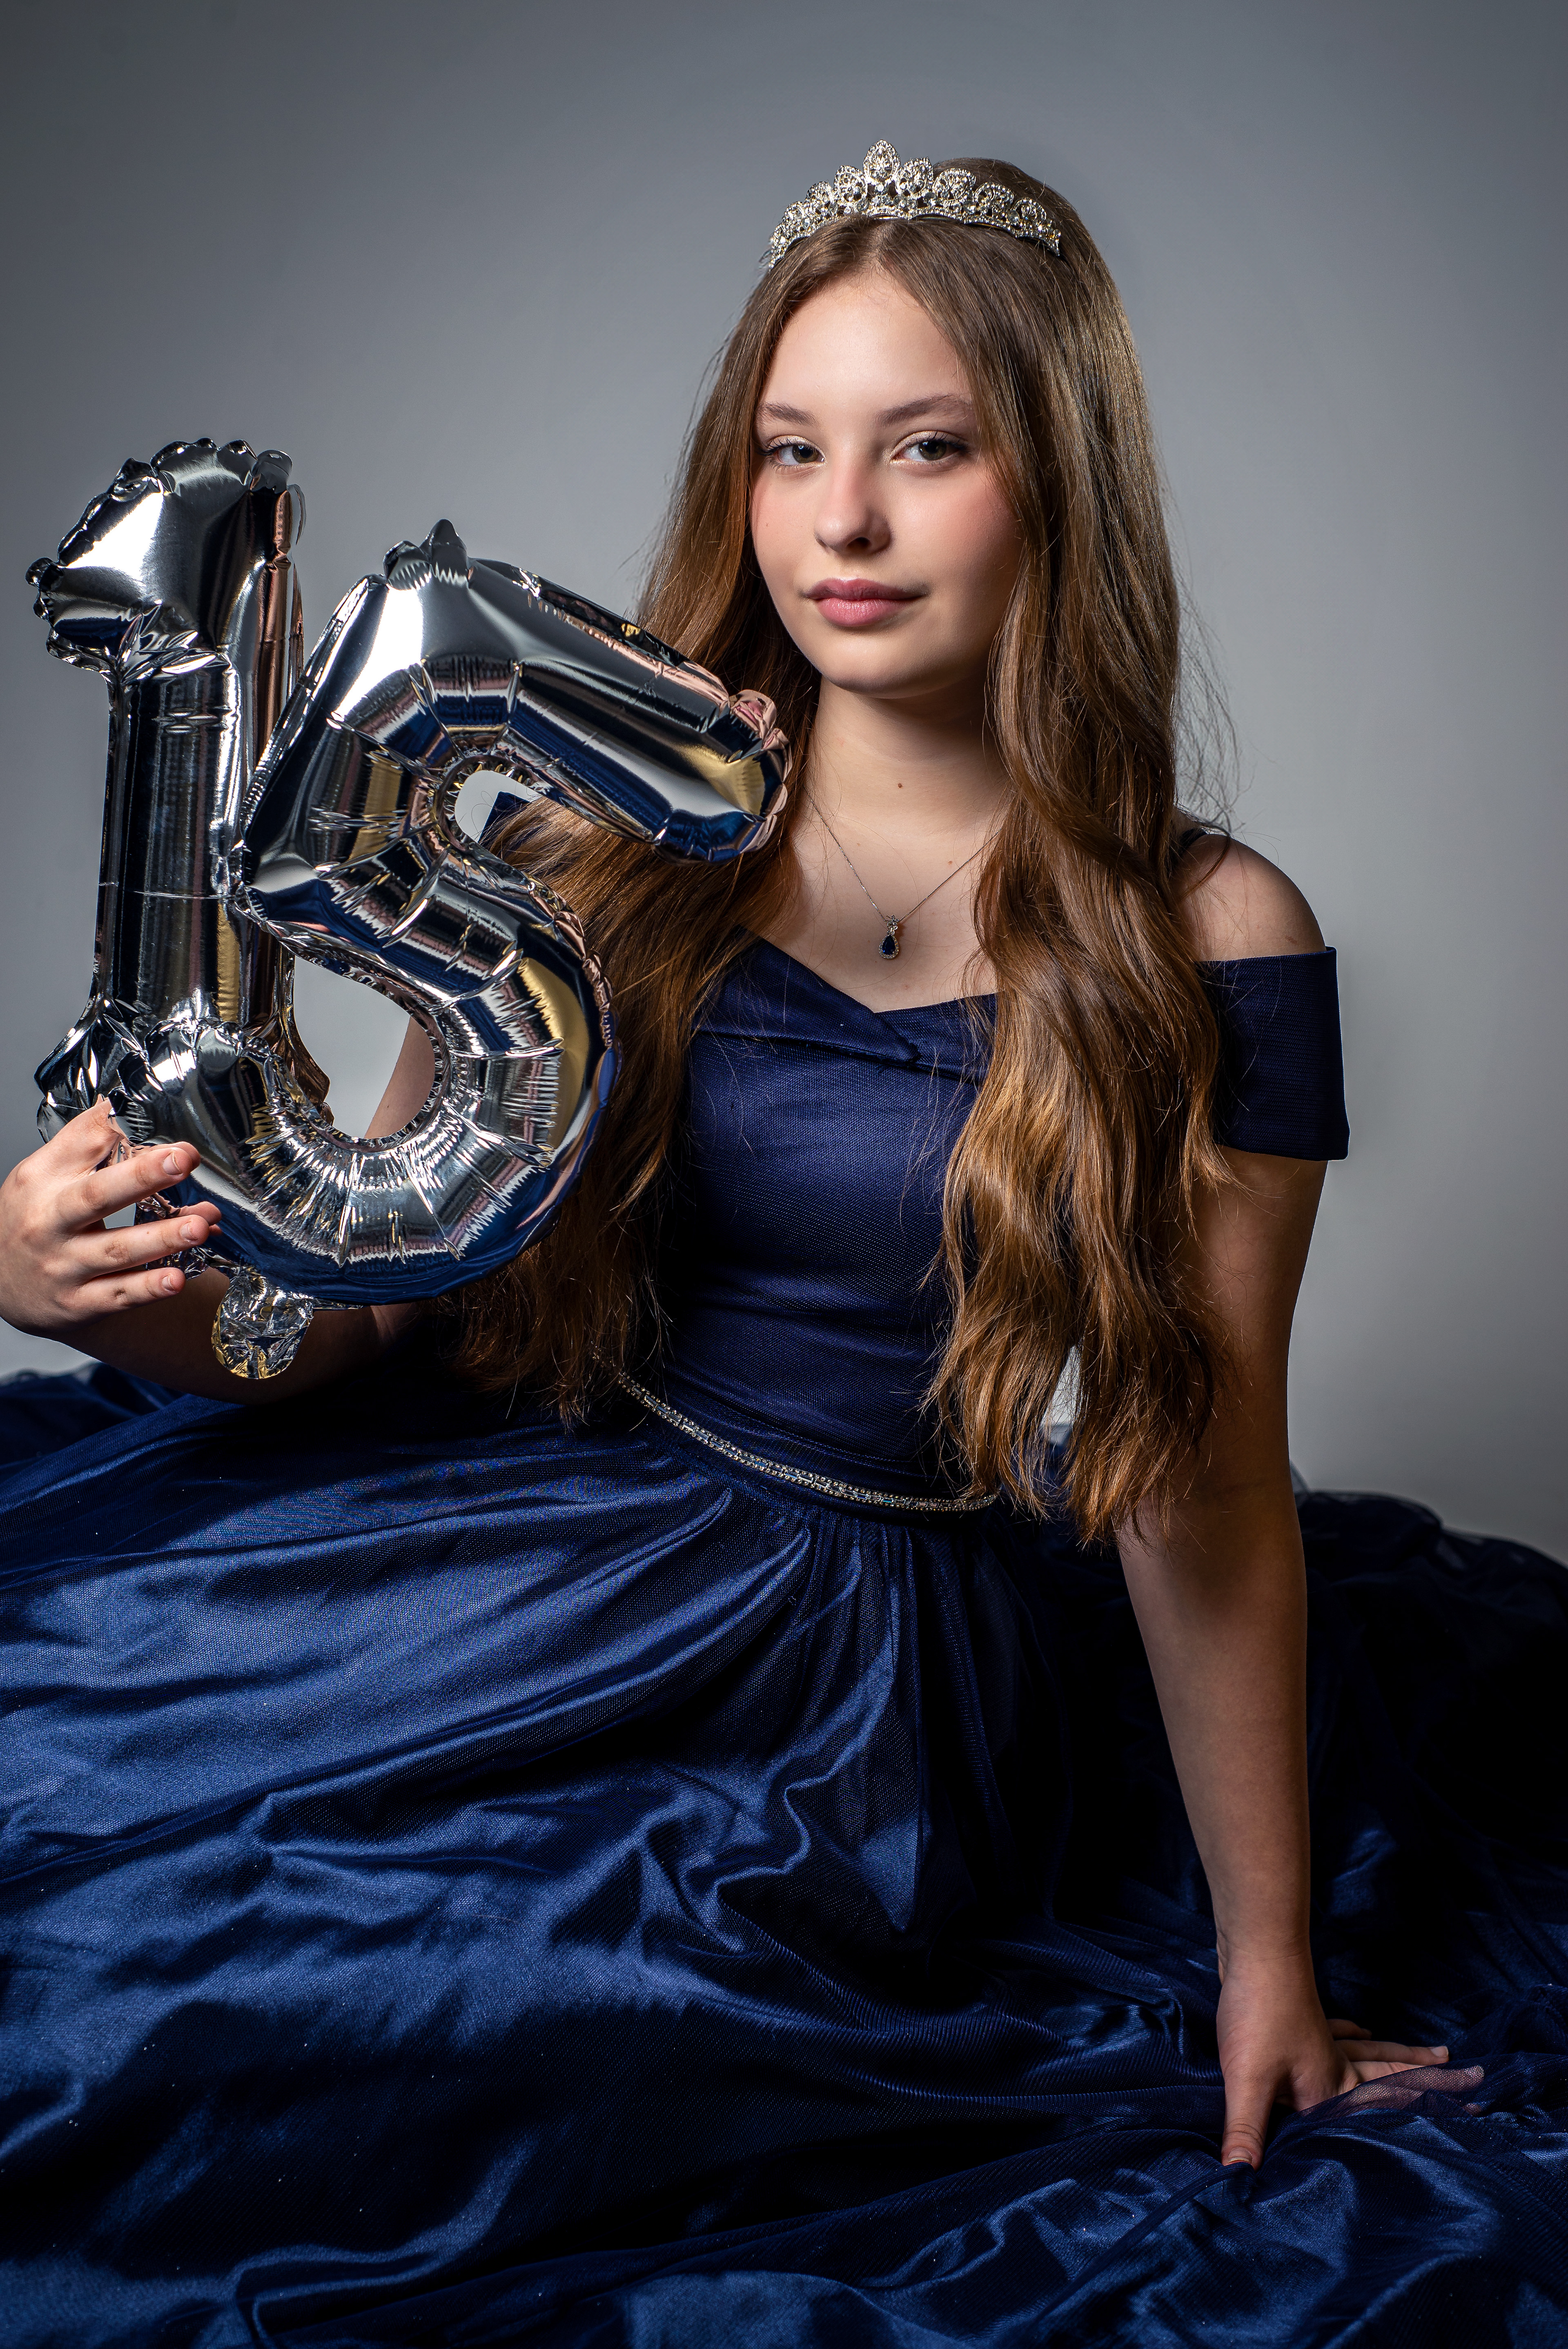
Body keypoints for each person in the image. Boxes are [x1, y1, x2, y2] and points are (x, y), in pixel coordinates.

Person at [0, 145, 1564, 2347]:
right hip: (513, 1553)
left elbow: (1200, 1480)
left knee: (481, 2051)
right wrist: (86, 1279)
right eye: (790, 452)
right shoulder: (602, 833)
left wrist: (1270, 1963)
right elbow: (345, 1323)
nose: (841, 524)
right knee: (102, 1926)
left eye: (929, 451)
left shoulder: (1216, 935)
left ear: (1058, 489)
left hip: (859, 1698)